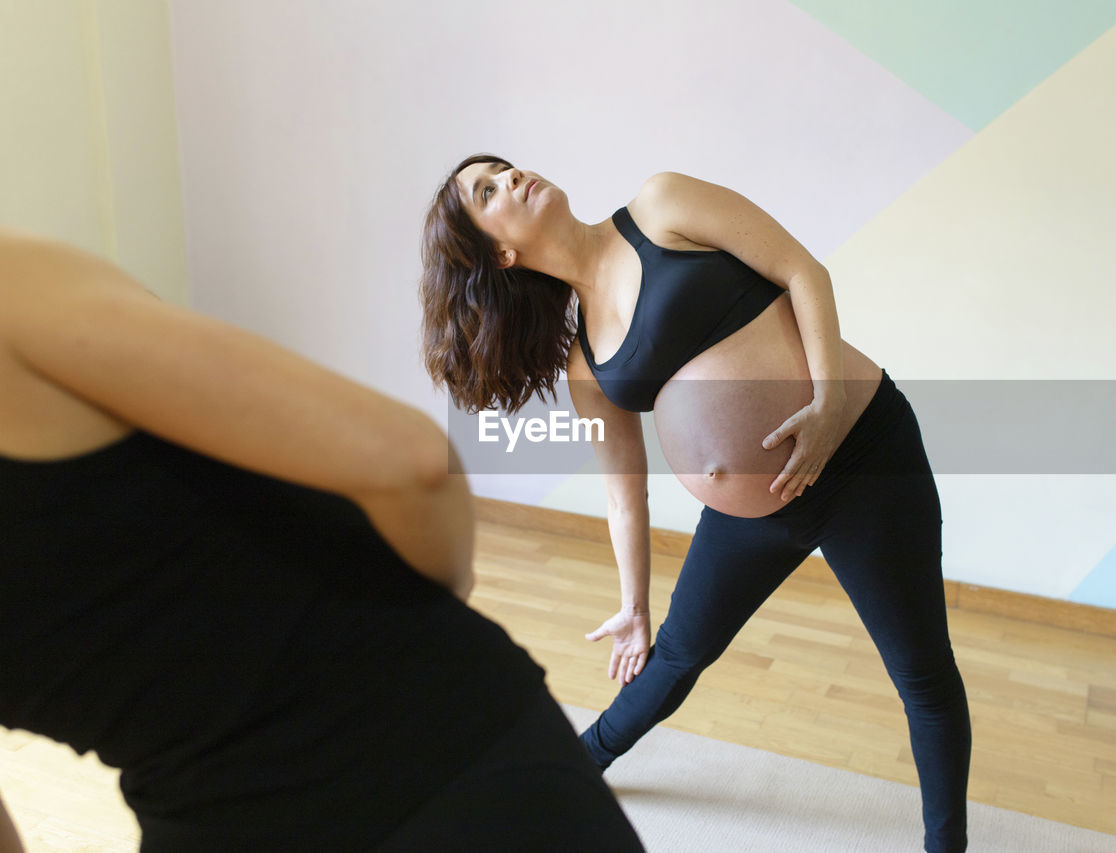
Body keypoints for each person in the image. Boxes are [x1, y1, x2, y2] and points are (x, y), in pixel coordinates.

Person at [0, 230, 644, 853]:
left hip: (227, 817)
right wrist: (432, 612)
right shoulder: (16, 284)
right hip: (436, 724)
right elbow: (409, 462)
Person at [420, 154, 973, 852]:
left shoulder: (661, 207)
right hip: (756, 514)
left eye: (503, 167)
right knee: (676, 654)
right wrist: (633, 604)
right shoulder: (585, 365)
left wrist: (829, 401)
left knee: (921, 673)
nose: (512, 176)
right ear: (500, 252)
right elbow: (623, 491)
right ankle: (577, 766)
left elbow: (805, 271)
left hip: (863, 456)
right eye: (488, 190)